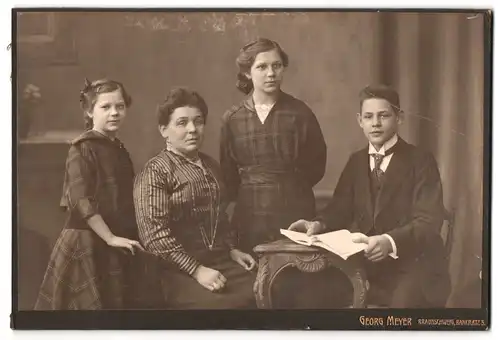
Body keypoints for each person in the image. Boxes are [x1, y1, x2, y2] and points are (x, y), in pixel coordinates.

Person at [289, 84, 451, 308]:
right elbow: (339, 209)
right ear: (360, 121)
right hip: (365, 266)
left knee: (403, 307)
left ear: (399, 117)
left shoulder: (421, 161)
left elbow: (429, 221)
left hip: (414, 265)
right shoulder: (356, 161)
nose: (375, 123)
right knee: (312, 296)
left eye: (383, 115)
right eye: (369, 116)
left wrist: (389, 241)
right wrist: (318, 224)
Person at [133, 87, 257, 309]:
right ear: (164, 130)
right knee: (225, 307)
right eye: (182, 123)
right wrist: (197, 270)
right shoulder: (156, 171)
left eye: (198, 121)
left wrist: (231, 249)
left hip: (221, 262)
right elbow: (153, 236)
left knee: (264, 291)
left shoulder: (211, 166)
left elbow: (218, 217)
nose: (192, 129)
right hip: (177, 272)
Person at [34, 79, 146, 310]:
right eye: (105, 107)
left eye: (120, 106)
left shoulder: (118, 149)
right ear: (89, 111)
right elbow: (81, 201)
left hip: (112, 239)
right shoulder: (82, 148)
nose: (114, 113)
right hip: (87, 241)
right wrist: (110, 238)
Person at [220, 38, 327, 253]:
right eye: (262, 67)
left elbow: (316, 166)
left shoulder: (300, 113)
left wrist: (287, 182)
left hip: (293, 210)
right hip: (249, 213)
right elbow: (228, 173)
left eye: (276, 66)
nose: (271, 73)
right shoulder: (233, 118)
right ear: (247, 73)